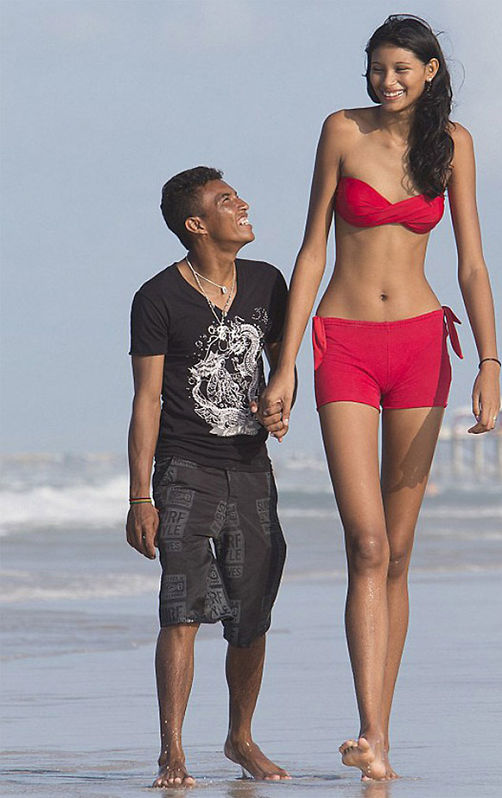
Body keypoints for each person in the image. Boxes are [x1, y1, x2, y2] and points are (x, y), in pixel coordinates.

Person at [258, 14, 501, 781]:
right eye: (375, 69)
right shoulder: (340, 131)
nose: (385, 81)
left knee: (396, 553)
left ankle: (381, 738)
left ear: (429, 70)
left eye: (400, 68)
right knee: (363, 544)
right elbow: (309, 250)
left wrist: (489, 361)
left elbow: (470, 263)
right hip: (345, 345)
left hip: (422, 349)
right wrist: (285, 363)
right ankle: (365, 727)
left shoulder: (453, 145)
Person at [126, 166, 292, 787]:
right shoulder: (157, 297)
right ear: (197, 225)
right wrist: (140, 494)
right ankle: (172, 751)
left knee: (251, 614)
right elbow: (146, 400)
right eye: (227, 200)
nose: (243, 204)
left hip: (251, 471)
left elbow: (285, 367)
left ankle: (240, 738)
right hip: (183, 471)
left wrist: (282, 401)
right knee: (182, 610)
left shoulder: (267, 283)